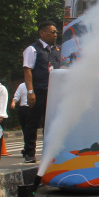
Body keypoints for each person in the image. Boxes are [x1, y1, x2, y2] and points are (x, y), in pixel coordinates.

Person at [22, 21, 61, 164]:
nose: (55, 35)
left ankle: (50, 152)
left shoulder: (58, 49)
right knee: (33, 122)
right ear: (42, 33)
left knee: (50, 123)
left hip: (54, 91)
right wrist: (30, 91)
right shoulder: (32, 49)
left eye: (56, 32)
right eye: (52, 32)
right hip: (39, 90)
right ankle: (29, 152)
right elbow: (28, 70)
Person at [11, 80, 30, 145]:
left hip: (33, 108)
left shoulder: (36, 84)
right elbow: (17, 96)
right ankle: (27, 145)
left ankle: (30, 146)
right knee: (24, 128)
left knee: (30, 129)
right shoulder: (22, 85)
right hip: (23, 108)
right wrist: (13, 102)